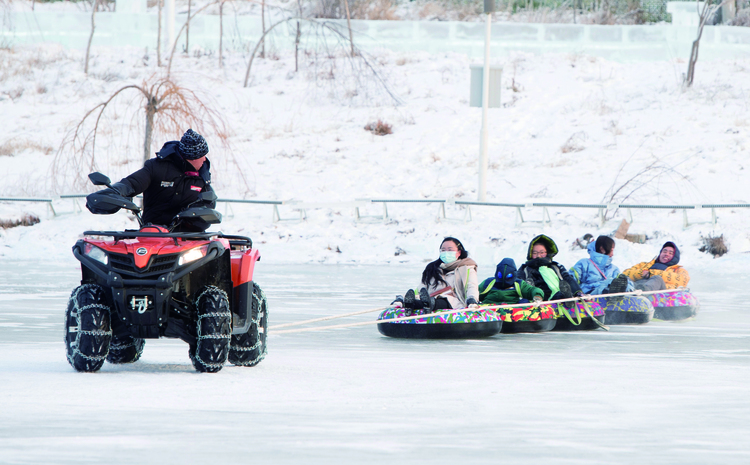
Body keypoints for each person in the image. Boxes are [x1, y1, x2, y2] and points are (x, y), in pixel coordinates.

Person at [86, 129, 216, 232]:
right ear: (191, 157)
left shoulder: (202, 177)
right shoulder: (156, 167)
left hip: (187, 238)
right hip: (152, 234)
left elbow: (209, 204)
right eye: (202, 156)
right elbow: (132, 183)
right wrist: (114, 193)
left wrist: (191, 218)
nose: (205, 159)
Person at [393, 237, 480, 312]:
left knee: (443, 300)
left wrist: (472, 299)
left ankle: (428, 303)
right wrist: (402, 298)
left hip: (453, 301)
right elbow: (420, 289)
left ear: (459, 253)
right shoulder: (433, 269)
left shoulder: (467, 268)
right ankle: (414, 304)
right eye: (443, 250)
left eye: (450, 250)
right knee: (421, 300)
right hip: (429, 297)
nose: (446, 252)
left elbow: (471, 286)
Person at [518, 234, 584, 302]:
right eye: (535, 253)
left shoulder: (556, 266)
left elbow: (568, 278)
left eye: (542, 252)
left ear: (547, 252)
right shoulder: (525, 268)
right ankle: (563, 297)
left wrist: (578, 292)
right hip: (538, 299)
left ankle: (565, 296)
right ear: (530, 254)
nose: (538, 255)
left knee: (563, 288)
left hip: (558, 294)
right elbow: (518, 283)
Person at [610, 241, 690, 293]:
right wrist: (640, 273)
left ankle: (642, 293)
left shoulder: (678, 270)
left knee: (657, 278)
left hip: (660, 290)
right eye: (664, 251)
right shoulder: (645, 265)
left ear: (675, 257)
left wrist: (651, 273)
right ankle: (616, 293)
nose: (666, 254)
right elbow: (626, 273)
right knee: (624, 278)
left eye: (670, 253)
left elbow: (682, 280)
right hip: (637, 286)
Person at [478, 258, 544, 305]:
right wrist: (472, 300)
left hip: (511, 311)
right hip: (490, 310)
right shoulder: (489, 283)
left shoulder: (518, 284)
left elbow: (531, 290)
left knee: (525, 302)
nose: (504, 279)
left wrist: (537, 295)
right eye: (500, 275)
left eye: (508, 276)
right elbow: (476, 292)